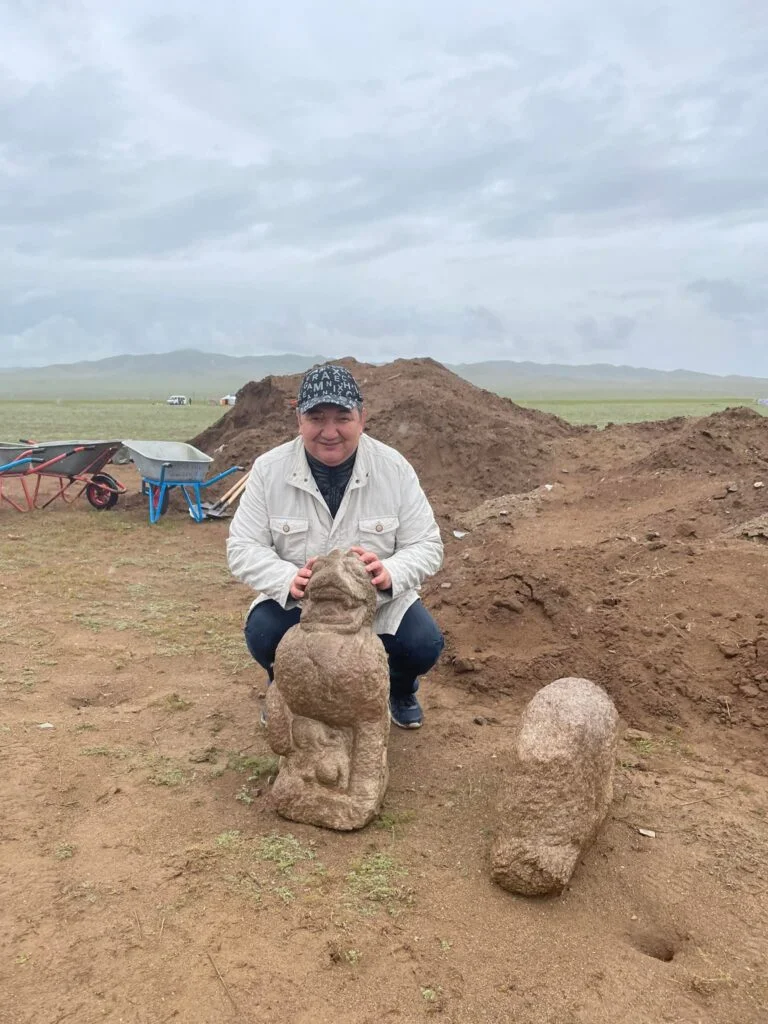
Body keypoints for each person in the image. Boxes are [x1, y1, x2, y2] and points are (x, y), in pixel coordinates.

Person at [227, 364, 444, 729]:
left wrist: (390, 572)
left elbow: (427, 544)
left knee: (422, 642)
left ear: (362, 418)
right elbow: (242, 546)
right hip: (302, 604)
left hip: (377, 605)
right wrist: (286, 579)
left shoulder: (394, 468)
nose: (329, 432)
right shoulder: (269, 470)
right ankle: (287, 688)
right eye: (316, 418)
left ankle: (397, 688)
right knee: (264, 632)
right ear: (299, 420)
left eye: (342, 418)